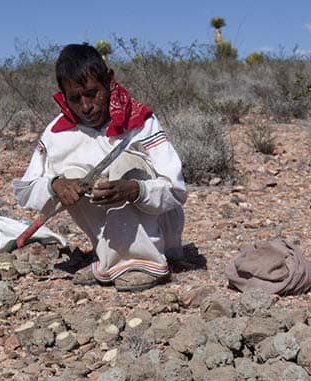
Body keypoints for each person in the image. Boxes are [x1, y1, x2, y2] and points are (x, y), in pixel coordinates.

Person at [12, 43, 187, 292]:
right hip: (107, 240)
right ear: (63, 95)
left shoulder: (140, 123)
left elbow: (177, 190)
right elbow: (26, 190)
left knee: (124, 164)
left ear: (109, 81)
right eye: (75, 98)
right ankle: (110, 259)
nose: (86, 106)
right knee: (72, 174)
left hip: (160, 231)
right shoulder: (56, 134)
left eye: (93, 93)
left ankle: (143, 262)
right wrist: (56, 185)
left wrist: (135, 190)